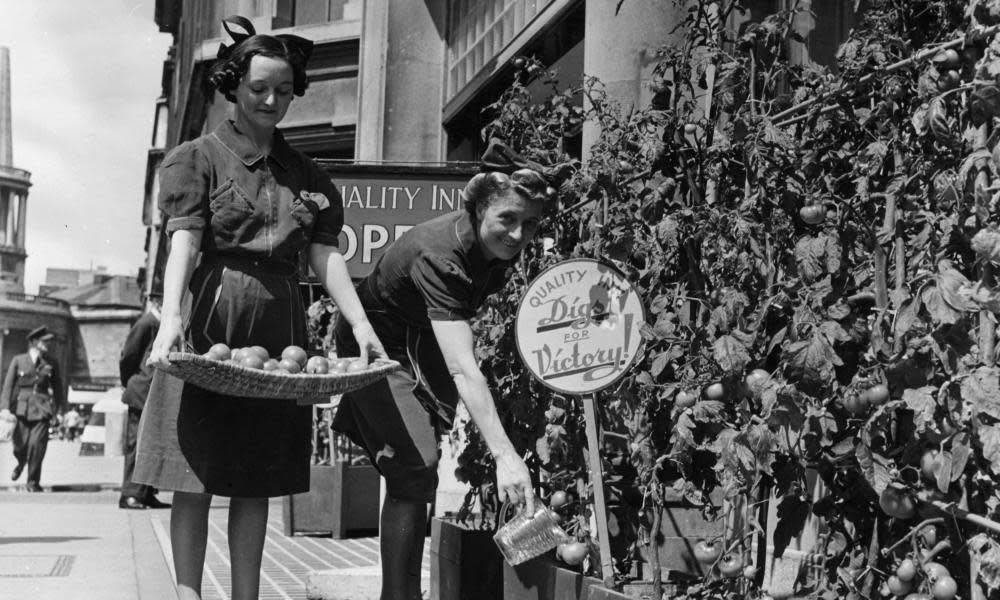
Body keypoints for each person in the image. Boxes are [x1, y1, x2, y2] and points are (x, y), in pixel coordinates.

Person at [134, 16, 385, 600]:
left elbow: (324, 257)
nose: (272, 101)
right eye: (258, 89)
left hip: (280, 330)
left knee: (256, 478)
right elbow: (186, 241)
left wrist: (360, 323)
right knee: (193, 473)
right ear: (233, 86)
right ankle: (188, 593)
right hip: (210, 322)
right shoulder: (197, 158)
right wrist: (171, 316)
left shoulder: (308, 173)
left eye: (284, 91)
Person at [332, 140, 558, 600]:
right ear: (477, 209)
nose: (518, 235)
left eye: (529, 223)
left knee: (414, 472)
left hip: (422, 342)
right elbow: (462, 367)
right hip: (378, 344)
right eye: (507, 219)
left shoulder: (492, 250)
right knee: (416, 465)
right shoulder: (441, 256)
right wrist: (505, 455)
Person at [118, 291, 170, 510]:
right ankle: (130, 494)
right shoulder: (146, 323)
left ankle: (146, 492)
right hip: (141, 392)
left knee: (153, 445)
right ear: (157, 301)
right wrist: (132, 382)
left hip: (155, 394)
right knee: (137, 445)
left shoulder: (163, 325)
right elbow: (128, 356)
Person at [0, 325, 64, 493]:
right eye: (44, 341)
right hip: (21, 408)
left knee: (37, 445)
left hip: (43, 408)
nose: (48, 344)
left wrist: (59, 411)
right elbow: (8, 386)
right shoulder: (18, 360)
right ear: (34, 342)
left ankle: (33, 481)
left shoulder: (52, 363)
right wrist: (5, 408)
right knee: (19, 446)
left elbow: (58, 388)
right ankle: (21, 462)